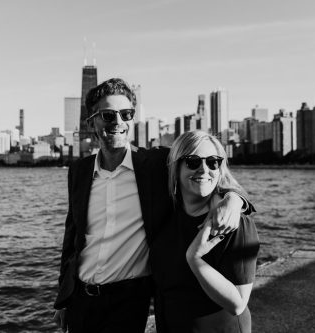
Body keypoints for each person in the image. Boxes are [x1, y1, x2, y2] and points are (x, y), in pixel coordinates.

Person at [54, 78, 250, 333]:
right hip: (81, 298)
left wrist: (235, 199)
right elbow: (72, 237)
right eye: (108, 115)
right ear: (91, 121)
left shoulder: (156, 163)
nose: (118, 122)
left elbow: (205, 169)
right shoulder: (79, 171)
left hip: (129, 299)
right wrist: (64, 297)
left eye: (126, 114)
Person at [151, 130, 259, 333]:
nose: (204, 169)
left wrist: (195, 259)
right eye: (193, 161)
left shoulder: (233, 223)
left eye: (212, 162)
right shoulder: (167, 215)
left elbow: (237, 303)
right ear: (176, 167)